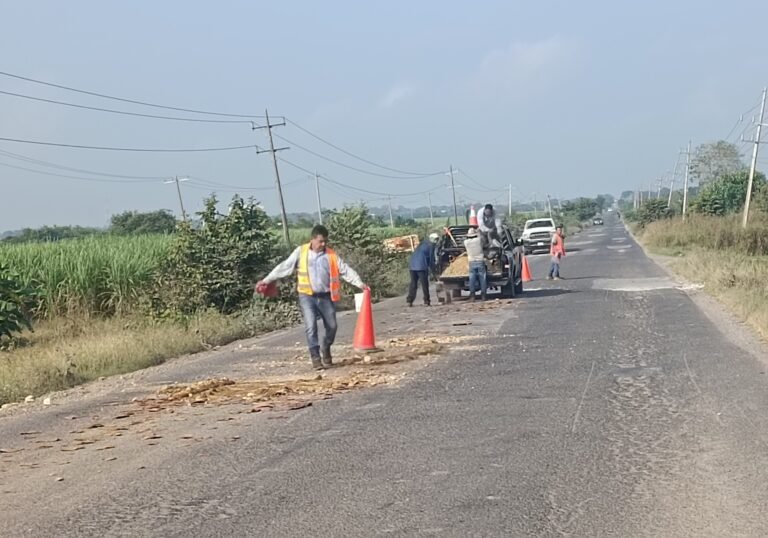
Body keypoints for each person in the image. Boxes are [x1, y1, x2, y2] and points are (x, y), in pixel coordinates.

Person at [256, 225, 367, 370]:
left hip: (326, 296)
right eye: (321, 241)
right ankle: (316, 358)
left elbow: (345, 270)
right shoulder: (301, 252)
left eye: (325, 241)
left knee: (332, 326)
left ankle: (325, 347)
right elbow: (284, 267)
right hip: (307, 296)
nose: (323, 244)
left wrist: (359, 283)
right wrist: (266, 280)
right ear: (313, 239)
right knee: (311, 327)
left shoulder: (331, 255)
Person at [406, 232, 439, 307]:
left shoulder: (423, 243)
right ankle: (426, 301)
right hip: (421, 266)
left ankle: (409, 300)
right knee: (424, 284)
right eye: (436, 239)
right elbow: (431, 260)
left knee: (413, 283)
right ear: (432, 239)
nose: (436, 241)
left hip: (412, 265)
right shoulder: (431, 245)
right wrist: (434, 272)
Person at [464, 227, 487, 301]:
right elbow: (484, 240)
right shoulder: (479, 240)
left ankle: (472, 296)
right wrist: (478, 231)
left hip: (471, 262)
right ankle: (483, 296)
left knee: (472, 279)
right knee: (482, 278)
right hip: (480, 261)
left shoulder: (466, 242)